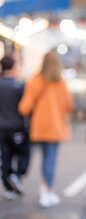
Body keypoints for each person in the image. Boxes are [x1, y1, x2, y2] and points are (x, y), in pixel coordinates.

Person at [19, 50, 73, 208]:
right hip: (55, 127)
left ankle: (45, 190)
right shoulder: (61, 82)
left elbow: (24, 107)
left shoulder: (34, 81)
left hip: (39, 127)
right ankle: (46, 191)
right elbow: (68, 106)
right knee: (50, 159)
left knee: (44, 159)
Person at [0, 55, 30, 201]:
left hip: (1, 128)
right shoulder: (18, 85)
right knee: (24, 153)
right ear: (13, 67)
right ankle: (16, 175)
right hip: (17, 127)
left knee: (5, 156)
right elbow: (25, 107)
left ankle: (8, 187)